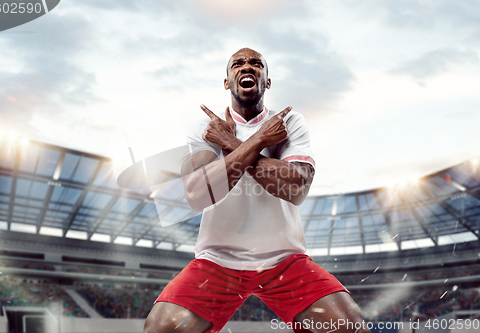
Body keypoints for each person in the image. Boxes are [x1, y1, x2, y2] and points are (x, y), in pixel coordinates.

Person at [143, 48, 370, 333]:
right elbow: (197, 195)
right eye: (237, 64)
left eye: (256, 63)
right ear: (227, 81)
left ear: (267, 80)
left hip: (284, 259)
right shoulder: (207, 127)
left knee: (351, 328)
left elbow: (296, 188)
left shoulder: (289, 122)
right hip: (218, 260)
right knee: (160, 329)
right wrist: (259, 140)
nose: (247, 67)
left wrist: (233, 144)